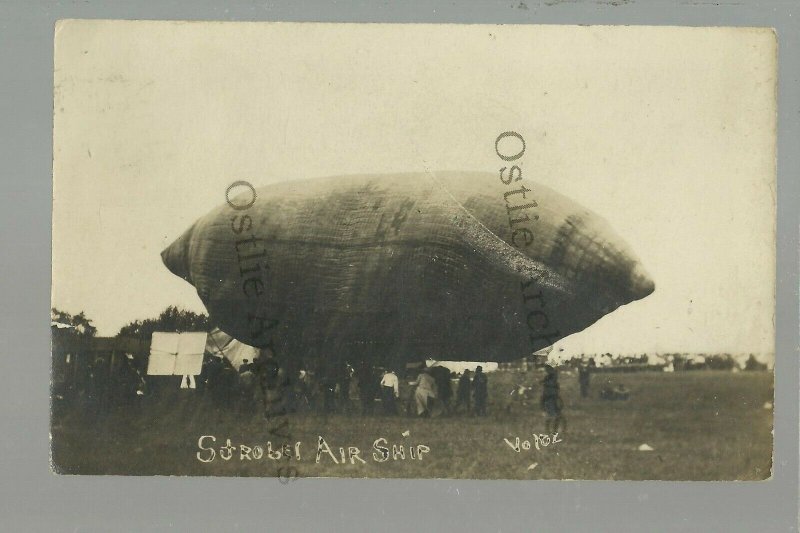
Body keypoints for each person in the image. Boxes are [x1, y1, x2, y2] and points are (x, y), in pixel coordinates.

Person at [541, 365, 565, 434]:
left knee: (554, 416)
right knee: (554, 415)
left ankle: (552, 430)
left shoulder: (550, 380)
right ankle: (551, 430)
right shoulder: (550, 380)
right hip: (550, 399)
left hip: (552, 399)